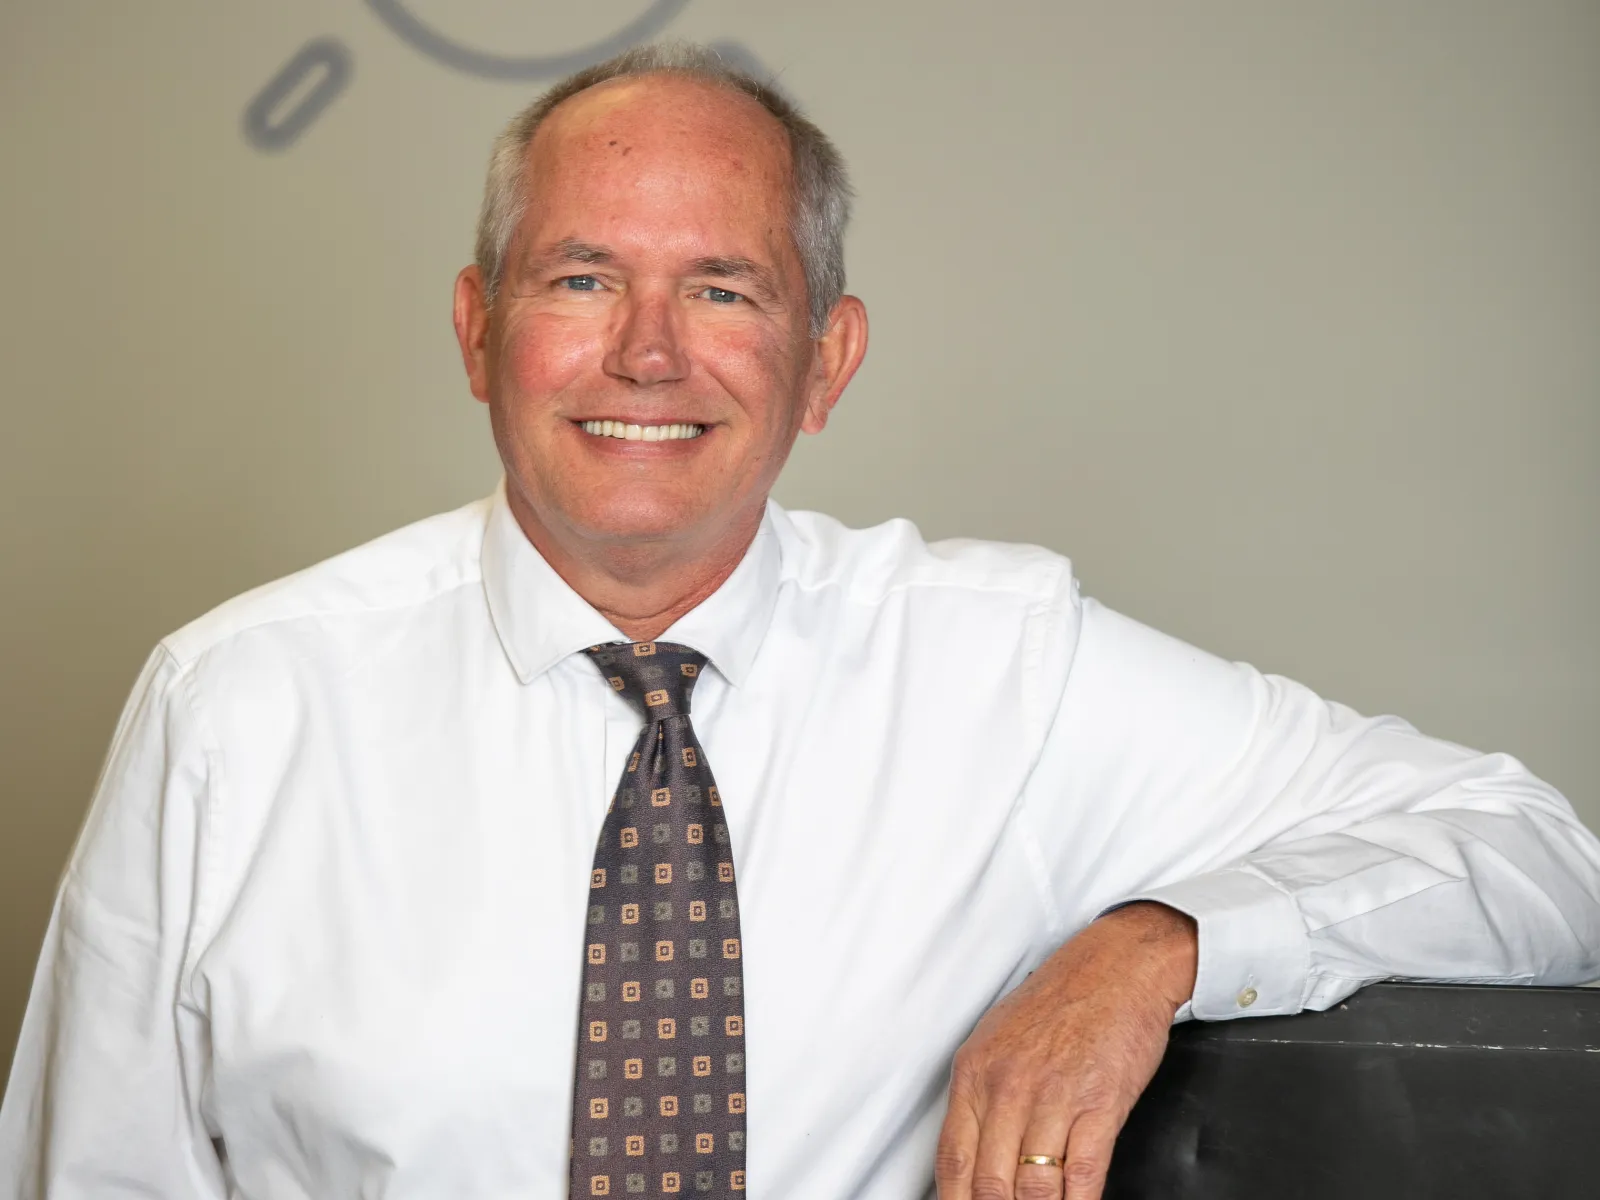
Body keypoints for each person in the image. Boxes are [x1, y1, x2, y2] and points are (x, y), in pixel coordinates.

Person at [3, 40, 1597, 1200]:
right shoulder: (236, 702)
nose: (646, 354)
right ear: (478, 331)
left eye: (723, 289)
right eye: (578, 280)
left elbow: (1536, 855)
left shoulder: (1007, 668)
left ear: (826, 361)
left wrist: (1161, 946)